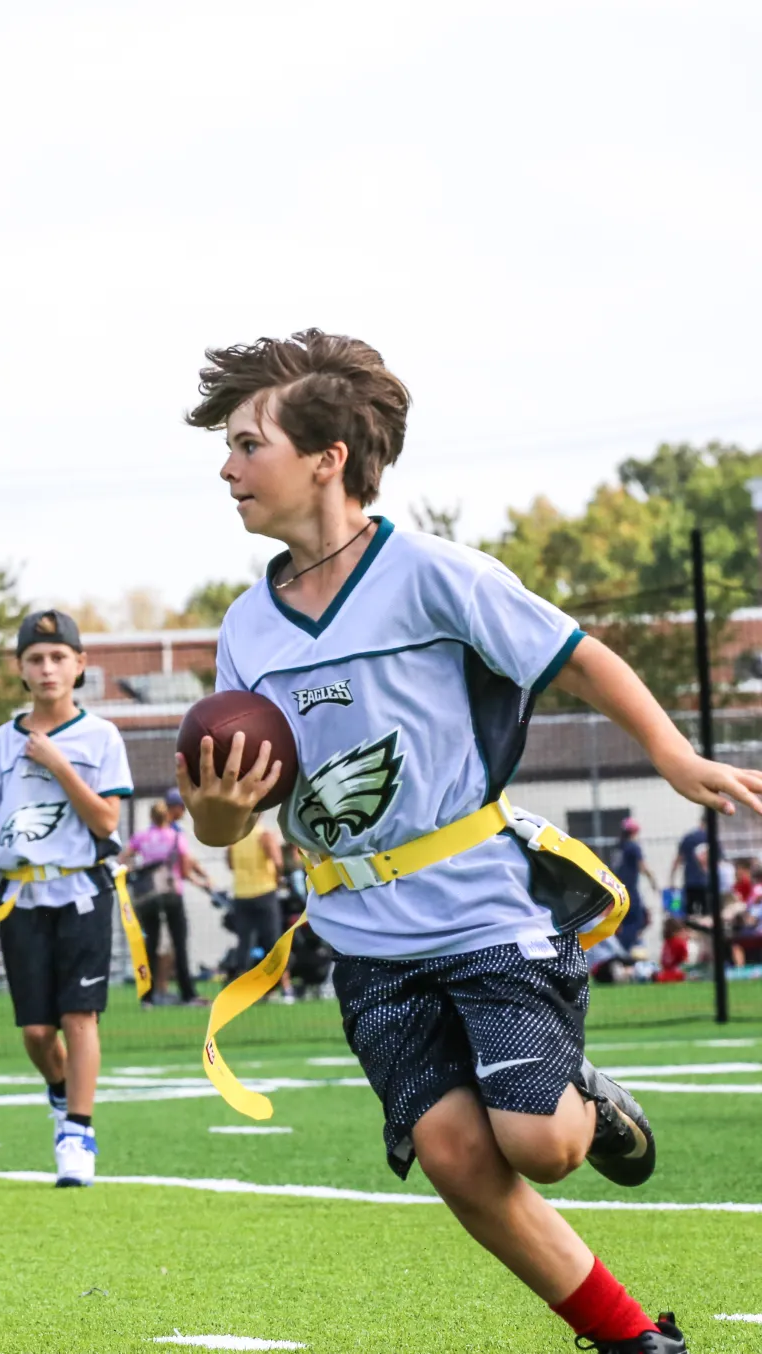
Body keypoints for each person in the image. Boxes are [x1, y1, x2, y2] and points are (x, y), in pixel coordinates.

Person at [176, 329, 762, 1354]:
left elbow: (575, 659)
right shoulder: (244, 628)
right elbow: (230, 818)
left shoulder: (435, 574)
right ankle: (632, 1340)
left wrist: (670, 754)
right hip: (361, 936)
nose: (225, 468)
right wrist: (220, 808)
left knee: (536, 1141)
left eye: (244, 443)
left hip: (484, 906)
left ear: (325, 458)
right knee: (453, 1152)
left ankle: (579, 1090)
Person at [0, 609, 133, 1187]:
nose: (47, 668)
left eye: (59, 657)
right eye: (35, 658)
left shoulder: (101, 736)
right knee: (35, 1032)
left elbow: (107, 819)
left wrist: (57, 762)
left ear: (80, 665)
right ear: (20, 669)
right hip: (20, 898)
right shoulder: (2, 742)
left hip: (82, 890)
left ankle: (77, 1132)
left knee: (80, 1016)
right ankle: (59, 1090)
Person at [121, 800, 206, 1006]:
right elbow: (185, 866)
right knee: (179, 943)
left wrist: (134, 872)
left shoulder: (141, 837)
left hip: (148, 896)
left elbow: (123, 859)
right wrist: (201, 880)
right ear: (166, 815)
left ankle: (147, 996)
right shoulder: (175, 836)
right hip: (171, 893)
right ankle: (187, 994)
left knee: (150, 944)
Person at [226, 820, 294, 1000]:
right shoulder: (264, 834)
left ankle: (241, 990)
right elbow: (278, 861)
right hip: (264, 892)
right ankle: (286, 988)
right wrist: (278, 879)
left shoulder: (234, 837)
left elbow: (230, 864)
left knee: (244, 943)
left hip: (242, 895)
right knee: (273, 942)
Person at [611, 819, 657, 954]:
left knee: (629, 920)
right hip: (630, 891)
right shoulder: (633, 846)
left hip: (618, 891)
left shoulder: (618, 847)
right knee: (638, 920)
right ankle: (625, 950)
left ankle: (626, 945)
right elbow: (643, 867)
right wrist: (653, 881)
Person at [669, 816, 713, 916]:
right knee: (706, 914)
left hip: (690, 882)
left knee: (689, 914)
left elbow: (678, 860)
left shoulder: (688, 838)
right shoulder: (711, 837)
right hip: (706, 882)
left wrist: (672, 880)